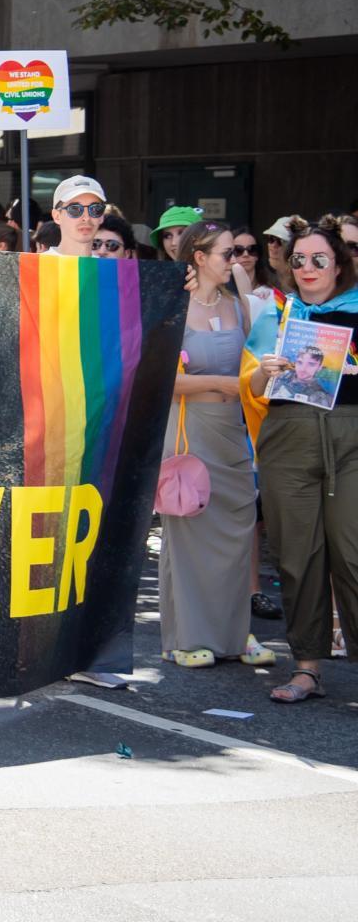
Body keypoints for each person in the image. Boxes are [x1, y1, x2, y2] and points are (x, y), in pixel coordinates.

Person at [247, 216, 358, 703]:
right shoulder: (276, 313)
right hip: (289, 439)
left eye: (319, 259)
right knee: (296, 556)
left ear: (339, 264)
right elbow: (248, 387)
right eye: (299, 260)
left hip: (352, 441)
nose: (309, 268)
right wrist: (263, 371)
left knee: (352, 555)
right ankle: (307, 668)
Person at [157, 222, 273, 669]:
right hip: (189, 427)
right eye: (228, 253)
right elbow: (160, 380)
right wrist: (224, 383)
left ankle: (233, 634)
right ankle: (187, 638)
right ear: (200, 257)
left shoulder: (238, 305)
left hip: (231, 428)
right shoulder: (172, 306)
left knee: (237, 526)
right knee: (189, 530)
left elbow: (253, 369)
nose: (238, 260)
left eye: (242, 253)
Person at [48, 176, 108, 257]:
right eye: (75, 209)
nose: (86, 218)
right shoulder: (33, 267)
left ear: (102, 216)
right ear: (57, 216)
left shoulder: (107, 268)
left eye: (95, 209)